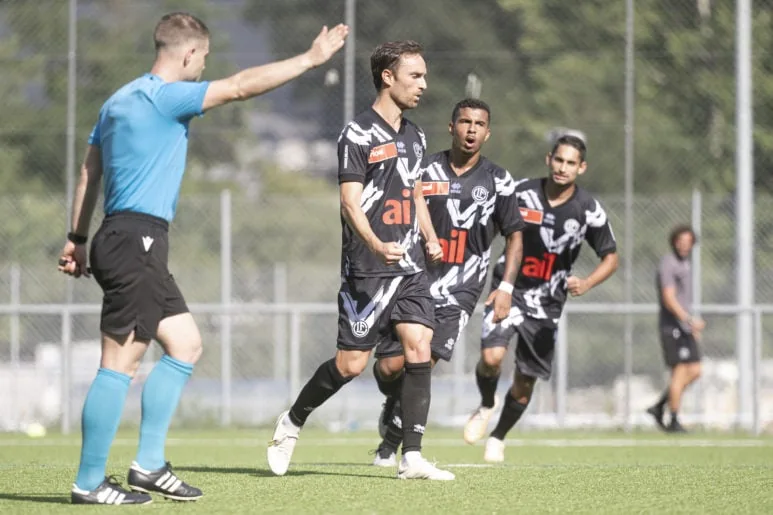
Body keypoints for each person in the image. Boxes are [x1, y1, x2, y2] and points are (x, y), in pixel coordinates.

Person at [57, 12, 349, 505]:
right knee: (119, 364)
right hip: (138, 241)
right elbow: (238, 87)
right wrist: (310, 59)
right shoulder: (166, 96)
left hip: (121, 236)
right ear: (189, 53)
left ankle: (148, 465)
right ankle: (88, 482)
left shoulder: (117, 101)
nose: (203, 68)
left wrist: (75, 236)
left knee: (186, 344)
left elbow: (90, 171)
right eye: (204, 58)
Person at [266, 40, 455, 481]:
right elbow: (351, 204)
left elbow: (414, 191)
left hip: (407, 267)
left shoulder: (415, 134)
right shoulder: (357, 135)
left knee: (419, 346)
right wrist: (374, 244)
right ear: (388, 77)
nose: (423, 85)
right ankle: (293, 420)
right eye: (415, 76)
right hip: (367, 270)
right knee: (351, 365)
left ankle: (412, 457)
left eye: (424, 76)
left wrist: (428, 237)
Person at [369, 98, 525, 466]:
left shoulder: (498, 180)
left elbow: (515, 236)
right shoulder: (424, 169)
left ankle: (393, 444)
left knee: (423, 363)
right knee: (388, 368)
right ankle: (393, 403)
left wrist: (505, 288)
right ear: (451, 126)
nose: (471, 129)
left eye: (479, 124)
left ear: (488, 133)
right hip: (414, 281)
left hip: (460, 290)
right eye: (465, 122)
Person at [463, 135, 619, 462]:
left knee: (524, 381)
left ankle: (499, 436)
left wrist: (587, 282)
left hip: (548, 302)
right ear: (548, 159)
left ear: (582, 167)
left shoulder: (588, 209)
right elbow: (489, 229)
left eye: (571, 163)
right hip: (509, 288)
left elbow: (611, 257)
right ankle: (487, 404)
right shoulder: (520, 193)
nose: (563, 168)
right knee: (491, 358)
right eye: (558, 160)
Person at [646, 225, 704, 433]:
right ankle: (674, 419)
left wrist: (690, 325)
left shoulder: (686, 264)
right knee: (679, 373)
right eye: (681, 241)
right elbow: (669, 299)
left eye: (688, 242)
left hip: (684, 327)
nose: (684, 246)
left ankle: (659, 406)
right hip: (673, 327)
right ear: (674, 242)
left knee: (696, 370)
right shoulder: (668, 264)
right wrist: (689, 320)